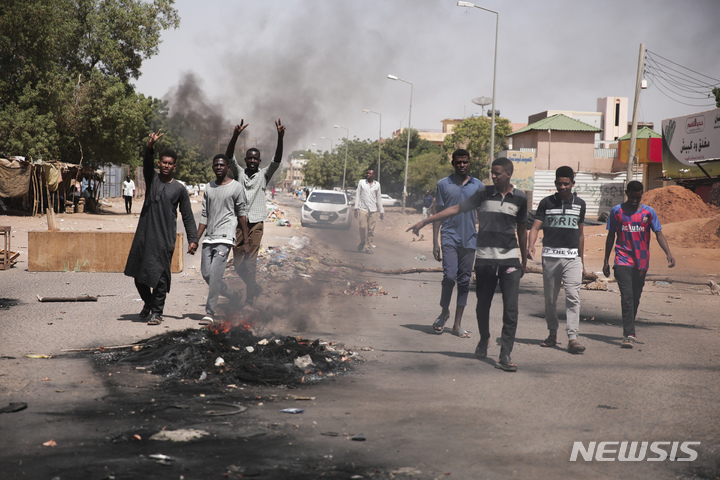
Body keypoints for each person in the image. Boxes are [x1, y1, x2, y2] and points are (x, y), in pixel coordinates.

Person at [408, 157, 528, 372]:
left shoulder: (519, 198)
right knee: (483, 305)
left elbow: (521, 229)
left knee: (511, 309)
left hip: (509, 260)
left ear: (508, 174)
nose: (493, 176)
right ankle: (484, 340)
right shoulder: (483, 193)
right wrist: (426, 221)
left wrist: (524, 259)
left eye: (497, 173)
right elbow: (455, 209)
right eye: (492, 172)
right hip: (484, 259)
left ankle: (505, 352)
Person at [124, 130, 199, 325]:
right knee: (138, 276)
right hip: (144, 235)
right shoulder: (152, 179)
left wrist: (193, 239)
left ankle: (157, 313)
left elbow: (188, 216)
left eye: (170, 163)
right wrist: (150, 145)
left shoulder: (180, 189)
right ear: (160, 163)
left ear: (175, 166)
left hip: (164, 239)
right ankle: (148, 303)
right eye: (163, 162)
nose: (166, 165)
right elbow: (147, 161)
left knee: (160, 278)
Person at [603, 180, 675, 348]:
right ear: (627, 193)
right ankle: (629, 333)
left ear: (641, 194)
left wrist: (669, 254)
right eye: (632, 196)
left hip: (641, 262)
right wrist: (606, 260)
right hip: (622, 260)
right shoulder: (617, 212)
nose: (635, 200)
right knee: (627, 297)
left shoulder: (648, 213)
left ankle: (629, 326)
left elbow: (659, 233)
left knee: (635, 297)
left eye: (638, 196)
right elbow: (611, 236)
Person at [225, 118, 285, 305]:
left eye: (255, 158)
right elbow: (228, 157)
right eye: (249, 158)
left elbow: (277, 160)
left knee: (250, 263)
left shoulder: (264, 175)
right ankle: (255, 287)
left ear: (259, 161)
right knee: (237, 264)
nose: (252, 160)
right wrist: (235, 135)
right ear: (246, 160)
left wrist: (280, 137)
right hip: (238, 223)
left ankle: (250, 296)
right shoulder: (240, 174)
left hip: (256, 223)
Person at [527, 166, 587, 354]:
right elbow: (535, 228)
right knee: (550, 299)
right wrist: (531, 245)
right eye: (559, 184)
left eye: (566, 184)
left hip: (572, 258)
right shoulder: (546, 203)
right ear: (555, 184)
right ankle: (552, 334)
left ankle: (573, 338)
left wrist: (581, 259)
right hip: (551, 258)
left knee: (573, 296)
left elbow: (581, 234)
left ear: (572, 184)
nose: (563, 187)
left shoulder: (580, 204)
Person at [430, 149, 483, 338]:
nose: (462, 165)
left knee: (464, 281)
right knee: (449, 277)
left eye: (465, 162)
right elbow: (438, 213)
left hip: (470, 239)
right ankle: (444, 312)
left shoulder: (478, 185)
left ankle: (457, 324)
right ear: (453, 163)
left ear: (469, 163)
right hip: (449, 237)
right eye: (458, 162)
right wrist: (435, 242)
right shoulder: (443, 184)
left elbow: (482, 215)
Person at [197, 154, 249, 325]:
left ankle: (210, 312)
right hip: (209, 237)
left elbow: (242, 215)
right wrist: (195, 239)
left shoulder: (236, 188)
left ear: (228, 167)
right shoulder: (209, 188)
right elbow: (204, 214)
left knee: (215, 275)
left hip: (226, 237)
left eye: (222, 165)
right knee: (206, 274)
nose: (218, 167)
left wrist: (246, 240)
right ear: (213, 167)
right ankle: (234, 295)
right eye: (216, 165)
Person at [354, 168, 384, 254]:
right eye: (367, 173)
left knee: (371, 230)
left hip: (373, 210)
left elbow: (379, 198)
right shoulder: (361, 182)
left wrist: (381, 211)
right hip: (363, 208)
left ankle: (368, 247)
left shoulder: (377, 184)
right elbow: (358, 195)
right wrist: (356, 208)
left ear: (373, 175)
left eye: (370, 174)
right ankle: (362, 241)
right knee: (362, 227)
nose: (368, 175)